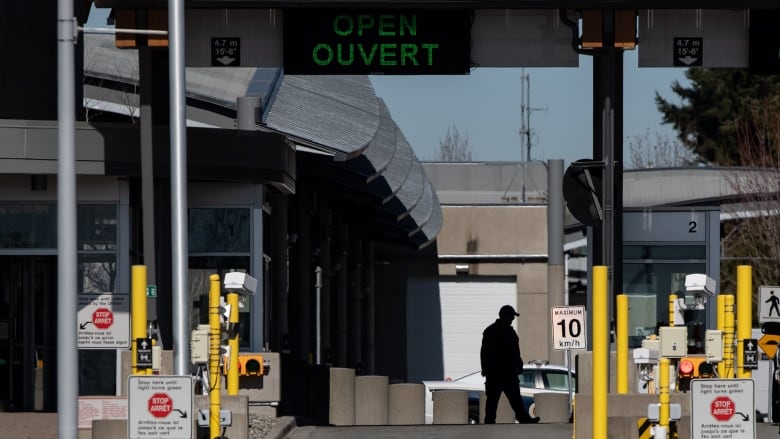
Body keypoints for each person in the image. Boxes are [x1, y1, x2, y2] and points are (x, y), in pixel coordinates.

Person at [480, 304, 540, 424]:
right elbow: (485, 353)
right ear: (504, 316)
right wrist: (486, 369)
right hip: (497, 373)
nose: (513, 319)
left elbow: (515, 352)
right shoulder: (492, 331)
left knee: (514, 399)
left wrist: (519, 364)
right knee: (493, 399)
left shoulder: (507, 332)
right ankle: (489, 422)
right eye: (511, 316)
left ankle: (523, 418)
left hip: (507, 373)